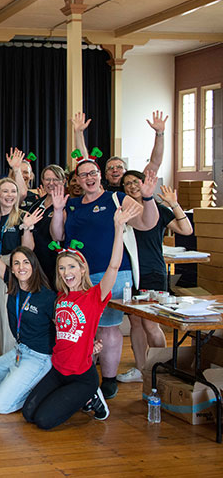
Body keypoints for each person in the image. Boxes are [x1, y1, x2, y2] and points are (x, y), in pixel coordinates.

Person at [22, 202, 141, 429]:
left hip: (82, 375)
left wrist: (118, 228)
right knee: (28, 413)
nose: (67, 273)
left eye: (72, 267)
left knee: (44, 422)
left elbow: (114, 266)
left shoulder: (94, 296)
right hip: (58, 370)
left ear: (82, 268)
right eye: (62, 268)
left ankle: (91, 396)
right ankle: (78, 398)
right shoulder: (59, 298)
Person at [51, 152, 158, 400]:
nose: (88, 178)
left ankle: (108, 380)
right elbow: (57, 236)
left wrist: (149, 197)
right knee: (84, 327)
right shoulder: (72, 204)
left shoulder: (116, 198)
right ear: (76, 179)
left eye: (93, 173)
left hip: (114, 273)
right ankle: (85, 375)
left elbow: (147, 223)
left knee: (108, 328)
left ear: (100, 176)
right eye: (83, 174)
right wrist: (58, 210)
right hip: (77, 277)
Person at [0, 197, 56, 414]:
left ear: (34, 266)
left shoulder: (47, 296)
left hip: (40, 357)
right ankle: (17, 381)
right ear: (11, 268)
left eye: (26, 262)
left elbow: (64, 330)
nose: (21, 267)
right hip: (19, 351)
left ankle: (40, 389)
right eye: (16, 263)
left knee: (0, 405)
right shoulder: (11, 282)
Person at [117, 178, 193, 384]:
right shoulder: (121, 211)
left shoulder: (158, 210)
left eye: (136, 182)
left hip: (153, 273)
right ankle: (141, 369)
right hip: (129, 274)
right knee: (135, 323)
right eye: (127, 184)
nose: (132, 187)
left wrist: (174, 204)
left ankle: (162, 368)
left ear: (145, 185)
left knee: (151, 324)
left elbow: (186, 230)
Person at [0, 178, 42, 360]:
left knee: (11, 313)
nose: (9, 195)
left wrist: (27, 228)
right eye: (5, 191)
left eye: (13, 191)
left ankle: (12, 358)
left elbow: (27, 250)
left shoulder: (23, 216)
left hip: (15, 267)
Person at [26, 165, 66, 285]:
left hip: (55, 264)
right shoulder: (36, 204)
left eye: (56, 179)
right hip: (36, 263)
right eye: (48, 179)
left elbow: (59, 236)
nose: (51, 183)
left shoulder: (67, 204)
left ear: (63, 181)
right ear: (42, 181)